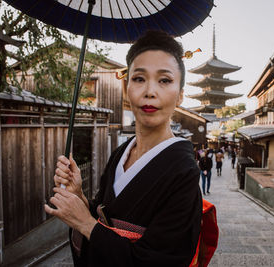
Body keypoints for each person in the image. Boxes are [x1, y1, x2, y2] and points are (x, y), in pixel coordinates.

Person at [44, 30, 202, 267]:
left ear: (180, 96)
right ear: (127, 87)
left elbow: (160, 261)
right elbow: (102, 215)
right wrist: (78, 196)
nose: (150, 91)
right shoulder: (121, 152)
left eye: (165, 80)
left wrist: (86, 225)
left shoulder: (184, 173)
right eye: (139, 79)